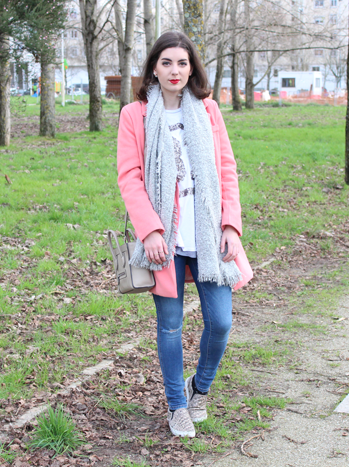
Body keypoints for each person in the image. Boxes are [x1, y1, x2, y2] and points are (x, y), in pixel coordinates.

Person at [116, 31, 253, 438]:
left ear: (192, 68)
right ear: (154, 69)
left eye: (182, 62)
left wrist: (231, 225)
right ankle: (177, 404)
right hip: (165, 239)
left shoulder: (208, 110)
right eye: (166, 63)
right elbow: (130, 177)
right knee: (171, 325)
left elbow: (226, 169)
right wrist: (150, 230)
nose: (174, 70)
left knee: (221, 322)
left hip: (209, 232)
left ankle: (200, 389)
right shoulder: (135, 115)